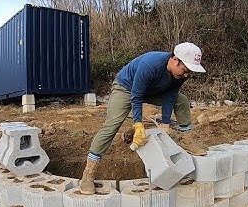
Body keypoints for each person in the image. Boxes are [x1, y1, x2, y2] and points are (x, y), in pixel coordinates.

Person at [80, 42, 207, 194]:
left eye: (189, 72)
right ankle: (88, 173)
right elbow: (136, 96)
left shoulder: (180, 73)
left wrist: (166, 122)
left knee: (182, 100)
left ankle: (186, 139)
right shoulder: (150, 64)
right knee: (112, 126)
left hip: (152, 91)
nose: (186, 75)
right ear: (175, 60)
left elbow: (170, 96)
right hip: (126, 88)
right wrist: (138, 125)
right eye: (185, 70)